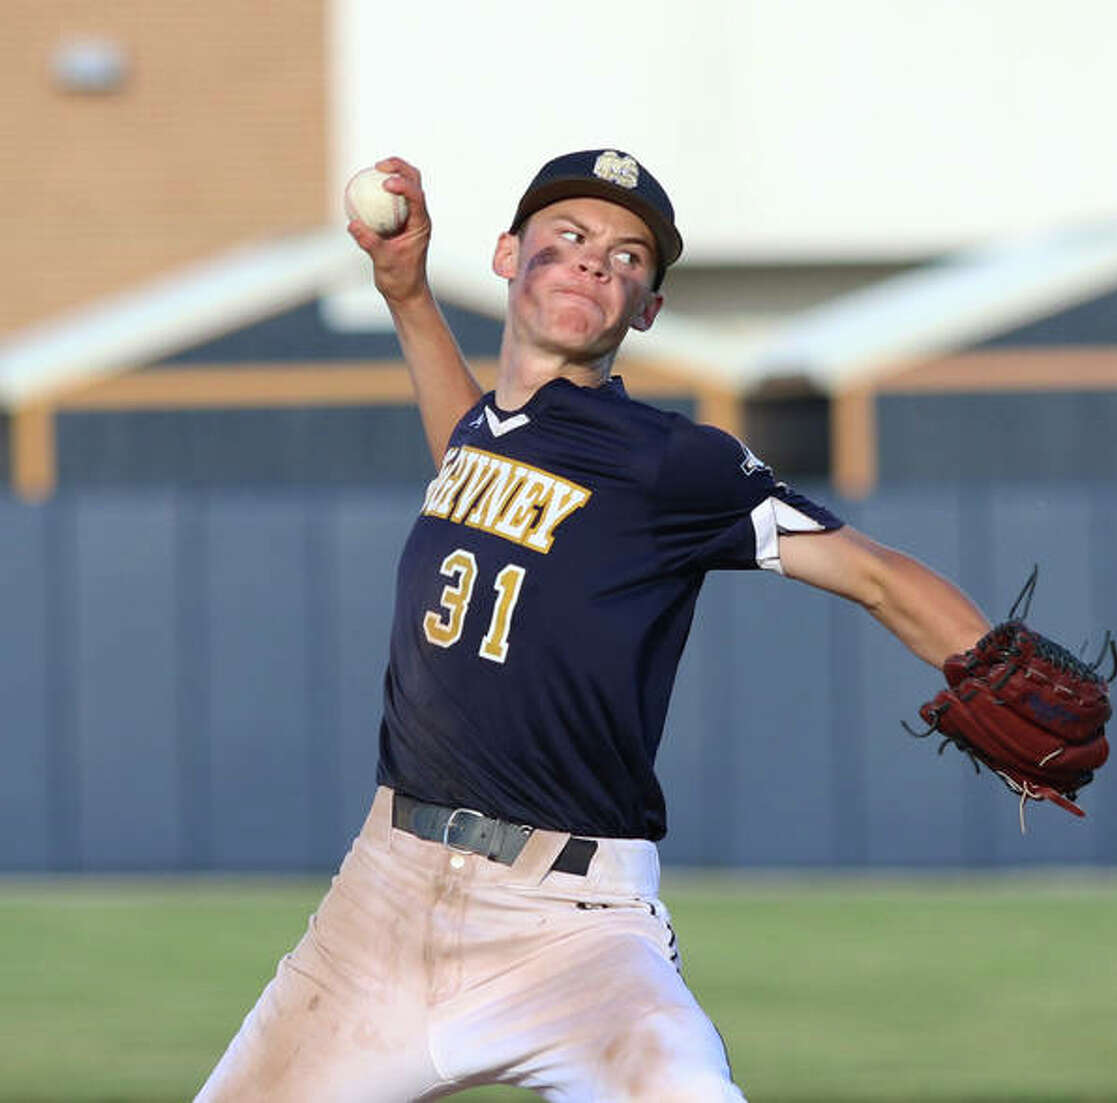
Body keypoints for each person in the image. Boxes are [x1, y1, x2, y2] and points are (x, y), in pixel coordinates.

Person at [195, 150, 990, 1101]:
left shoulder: (670, 461)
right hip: (379, 905)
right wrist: (406, 293)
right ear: (506, 256)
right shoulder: (488, 435)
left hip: (566, 928)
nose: (593, 264)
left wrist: (992, 663)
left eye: (626, 258)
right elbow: (468, 456)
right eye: (566, 240)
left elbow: (868, 570)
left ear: (646, 309)